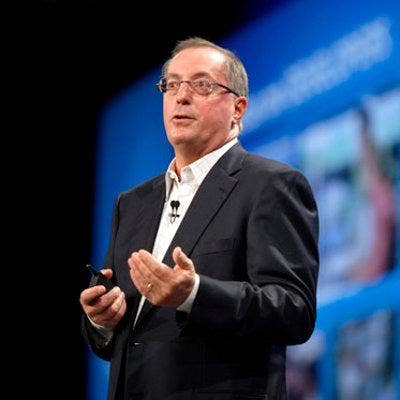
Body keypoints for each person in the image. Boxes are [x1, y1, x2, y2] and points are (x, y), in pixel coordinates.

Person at [80, 37, 319, 400]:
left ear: (238, 108)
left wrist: (193, 292)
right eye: (172, 85)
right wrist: (101, 321)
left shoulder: (271, 184)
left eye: (202, 85)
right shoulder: (132, 203)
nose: (181, 96)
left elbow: (293, 310)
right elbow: (124, 340)